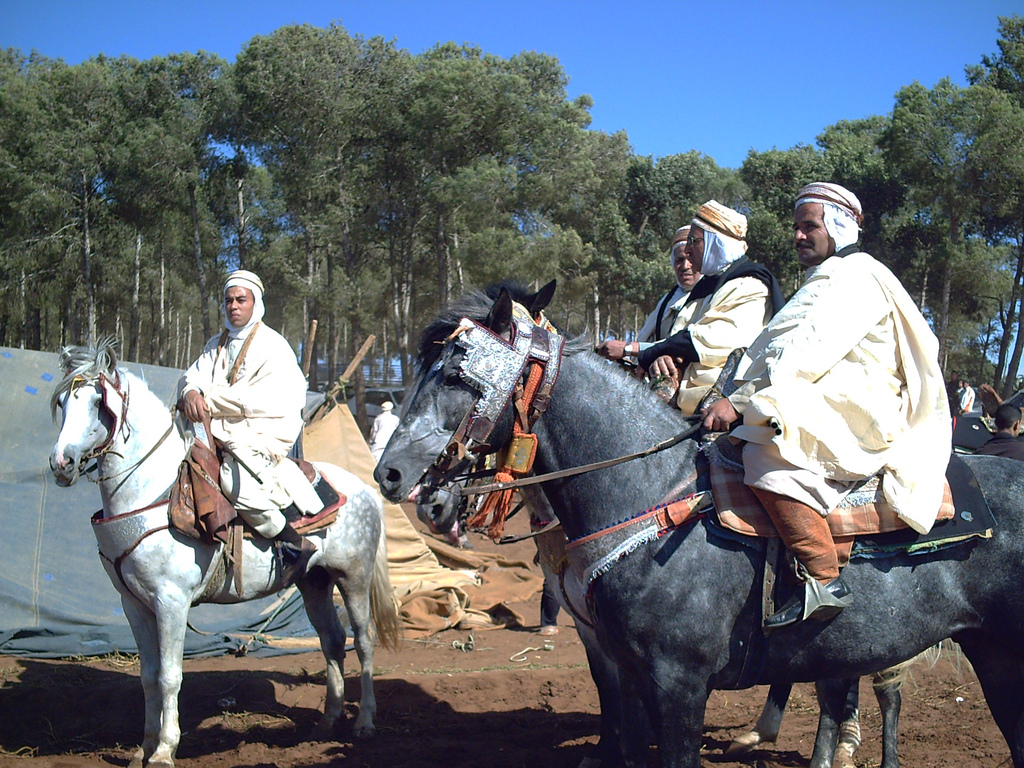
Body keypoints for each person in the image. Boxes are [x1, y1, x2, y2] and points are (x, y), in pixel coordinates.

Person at [703, 182, 951, 629]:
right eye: (796, 228)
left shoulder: (856, 276)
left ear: (837, 225)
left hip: (860, 411)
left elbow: (806, 353)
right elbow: (783, 352)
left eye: (809, 226)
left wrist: (743, 407)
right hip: (830, 397)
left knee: (766, 458)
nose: (798, 236)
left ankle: (823, 581)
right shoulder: (834, 274)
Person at [179, 269, 321, 578]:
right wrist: (190, 391)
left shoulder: (274, 346)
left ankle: (291, 541)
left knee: (231, 480)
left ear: (255, 303)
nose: (233, 306)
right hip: (221, 429)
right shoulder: (216, 344)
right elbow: (194, 375)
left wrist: (208, 399)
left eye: (240, 300)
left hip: (262, 431)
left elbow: (257, 400)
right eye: (228, 300)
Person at [634, 201, 784, 415]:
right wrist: (662, 358)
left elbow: (707, 340)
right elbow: (678, 338)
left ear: (716, 243)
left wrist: (645, 351)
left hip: (723, 414)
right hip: (683, 409)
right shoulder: (706, 288)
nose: (688, 249)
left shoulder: (751, 285)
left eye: (694, 241)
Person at [596, 225, 700, 361]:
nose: (685, 266)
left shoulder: (710, 296)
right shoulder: (667, 301)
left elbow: (689, 345)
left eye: (691, 259)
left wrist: (628, 348)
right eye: (679, 260)